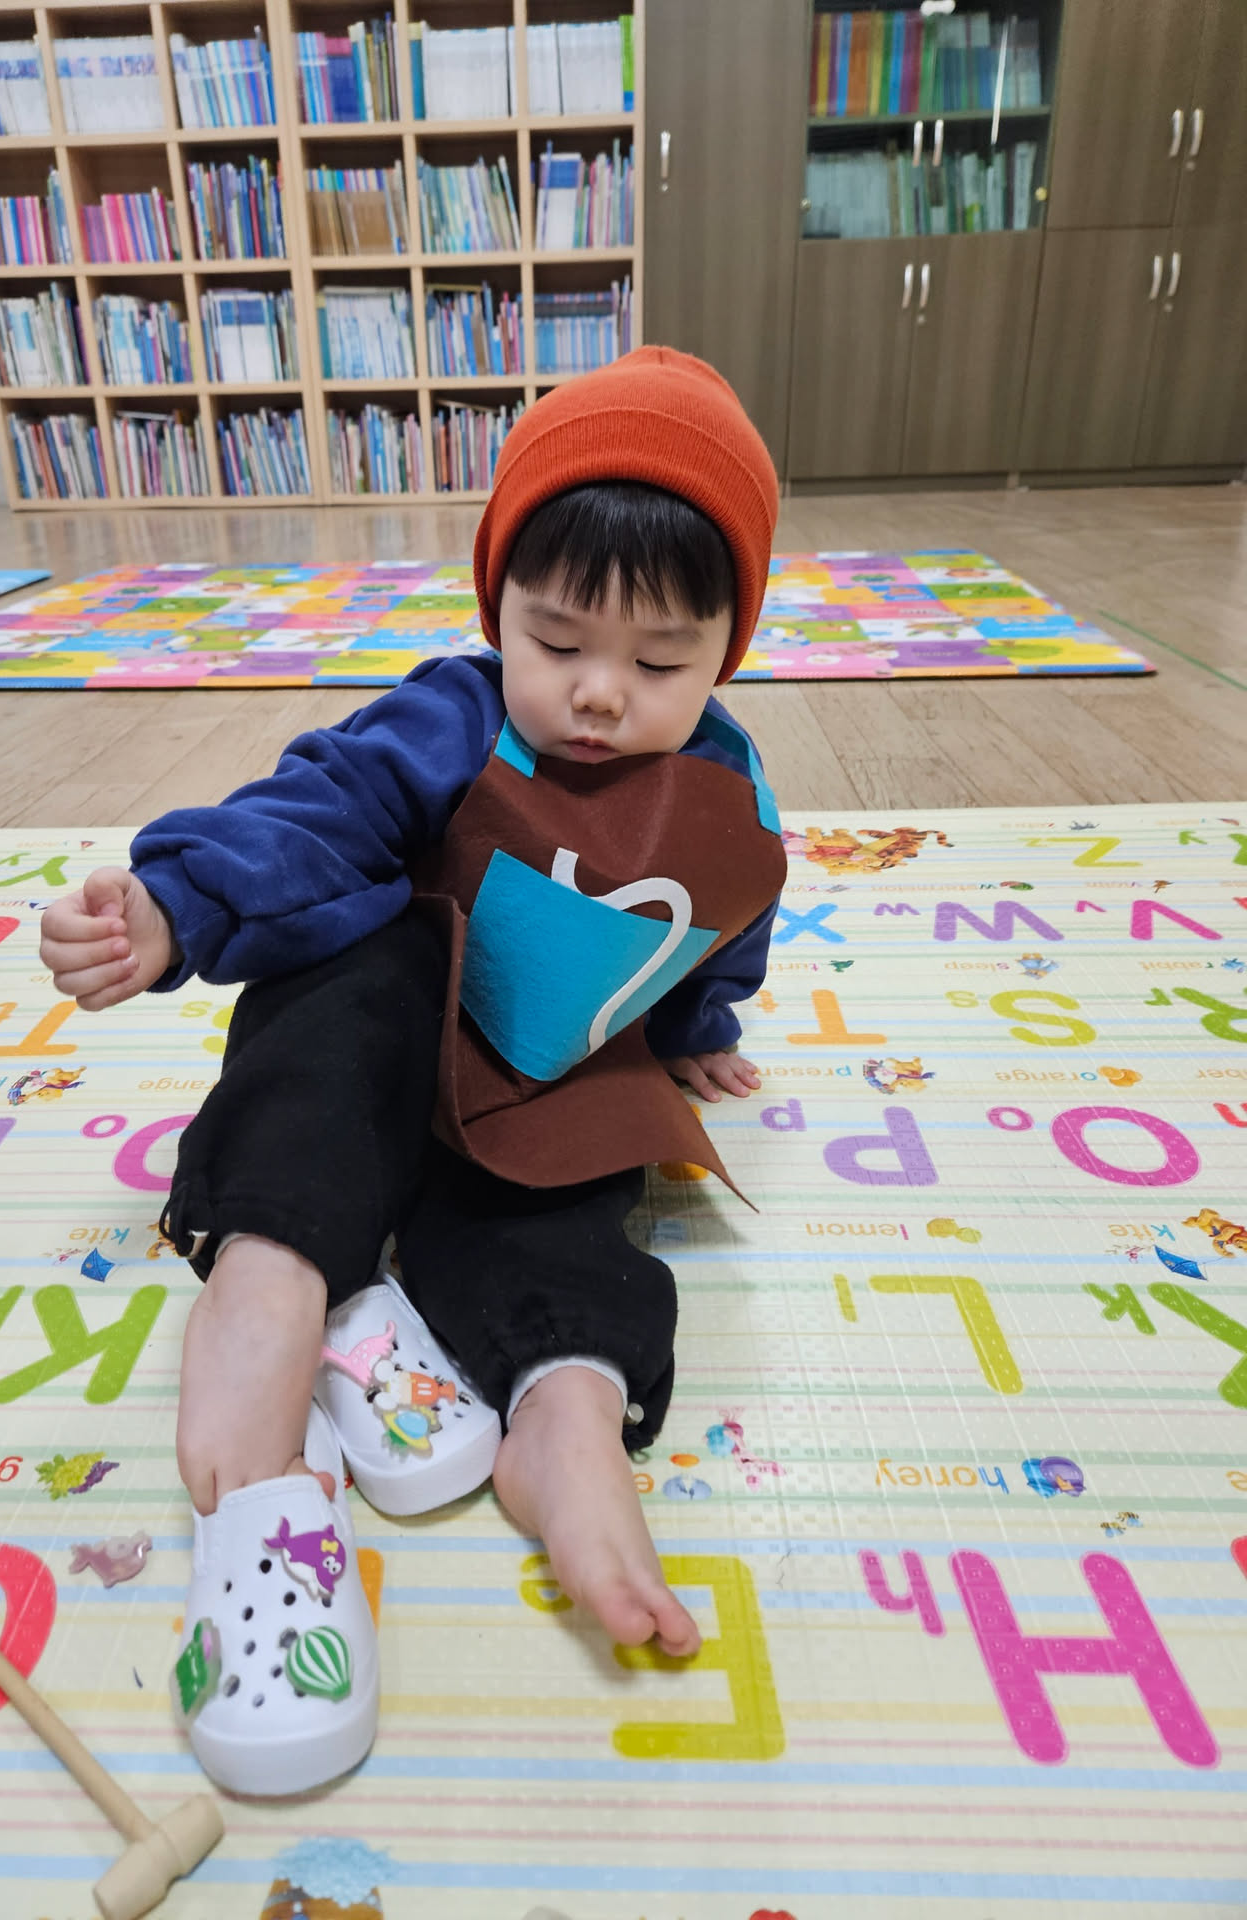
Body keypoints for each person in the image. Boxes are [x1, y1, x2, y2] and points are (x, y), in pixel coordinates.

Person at [40, 346, 785, 1795]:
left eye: (659, 664)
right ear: (497, 605)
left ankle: (564, 1412)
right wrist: (175, 906)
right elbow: (313, 815)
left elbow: (725, 919)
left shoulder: (725, 783)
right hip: (384, 1022)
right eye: (556, 640)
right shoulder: (452, 712)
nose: (599, 694)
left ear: (725, 653)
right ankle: (272, 1307)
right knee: (331, 1012)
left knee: (581, 1175)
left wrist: (701, 1028)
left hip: (535, 1071)